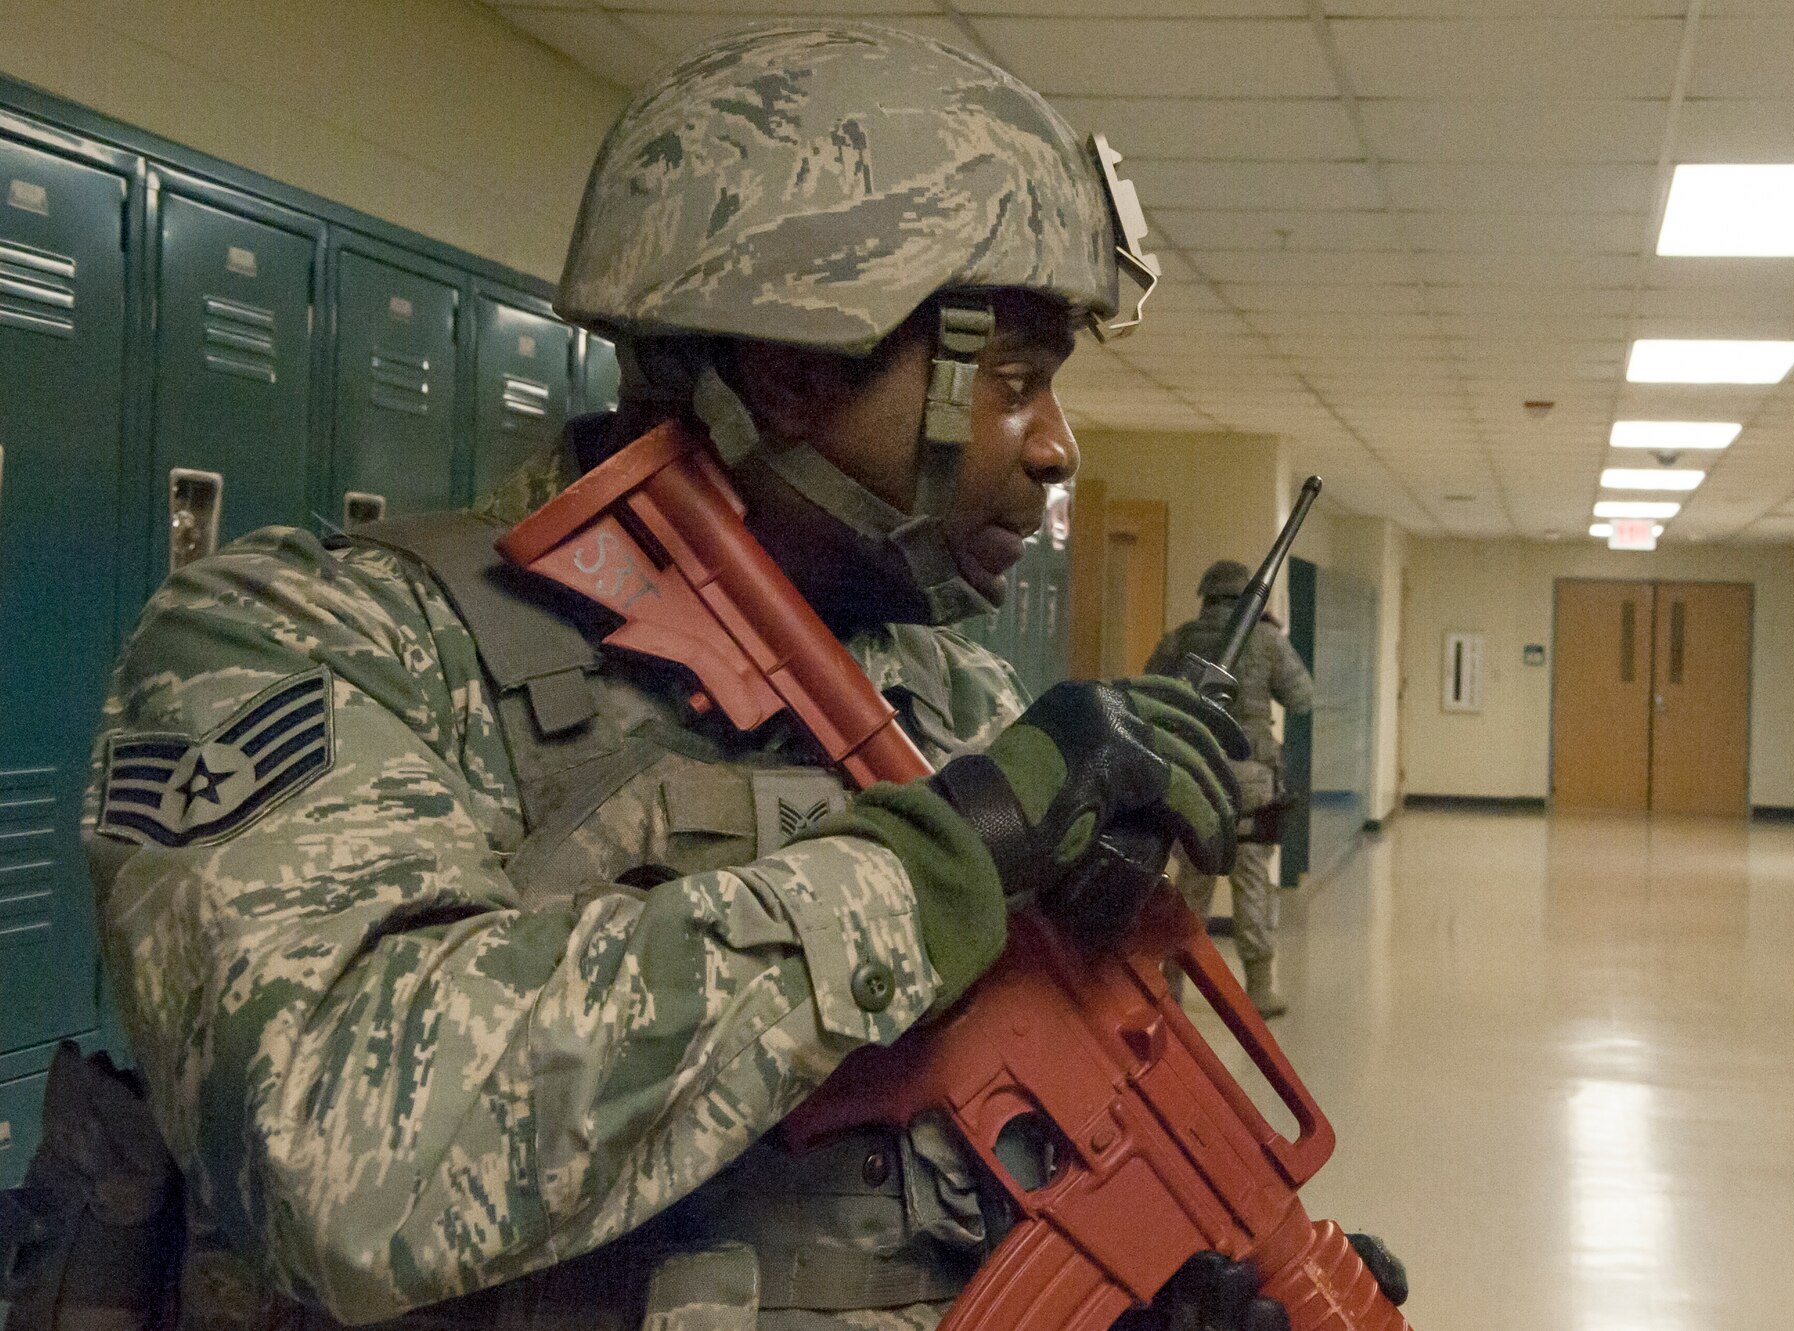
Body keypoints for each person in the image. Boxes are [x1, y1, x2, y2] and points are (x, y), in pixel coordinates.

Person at [64, 24, 1309, 1331]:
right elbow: (336, 1157)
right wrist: (913, 877)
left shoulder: (934, 694)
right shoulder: (318, 640)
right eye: (1014, 379)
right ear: (790, 370)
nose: (1056, 446)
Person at [1146, 560, 1315, 1018]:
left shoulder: (1181, 640)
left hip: (1197, 778)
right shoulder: (1267, 642)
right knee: (1253, 884)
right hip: (1250, 782)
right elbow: (1303, 696)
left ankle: (1171, 988)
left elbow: (1152, 694)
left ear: (1205, 596)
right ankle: (1258, 988)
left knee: (1192, 886)